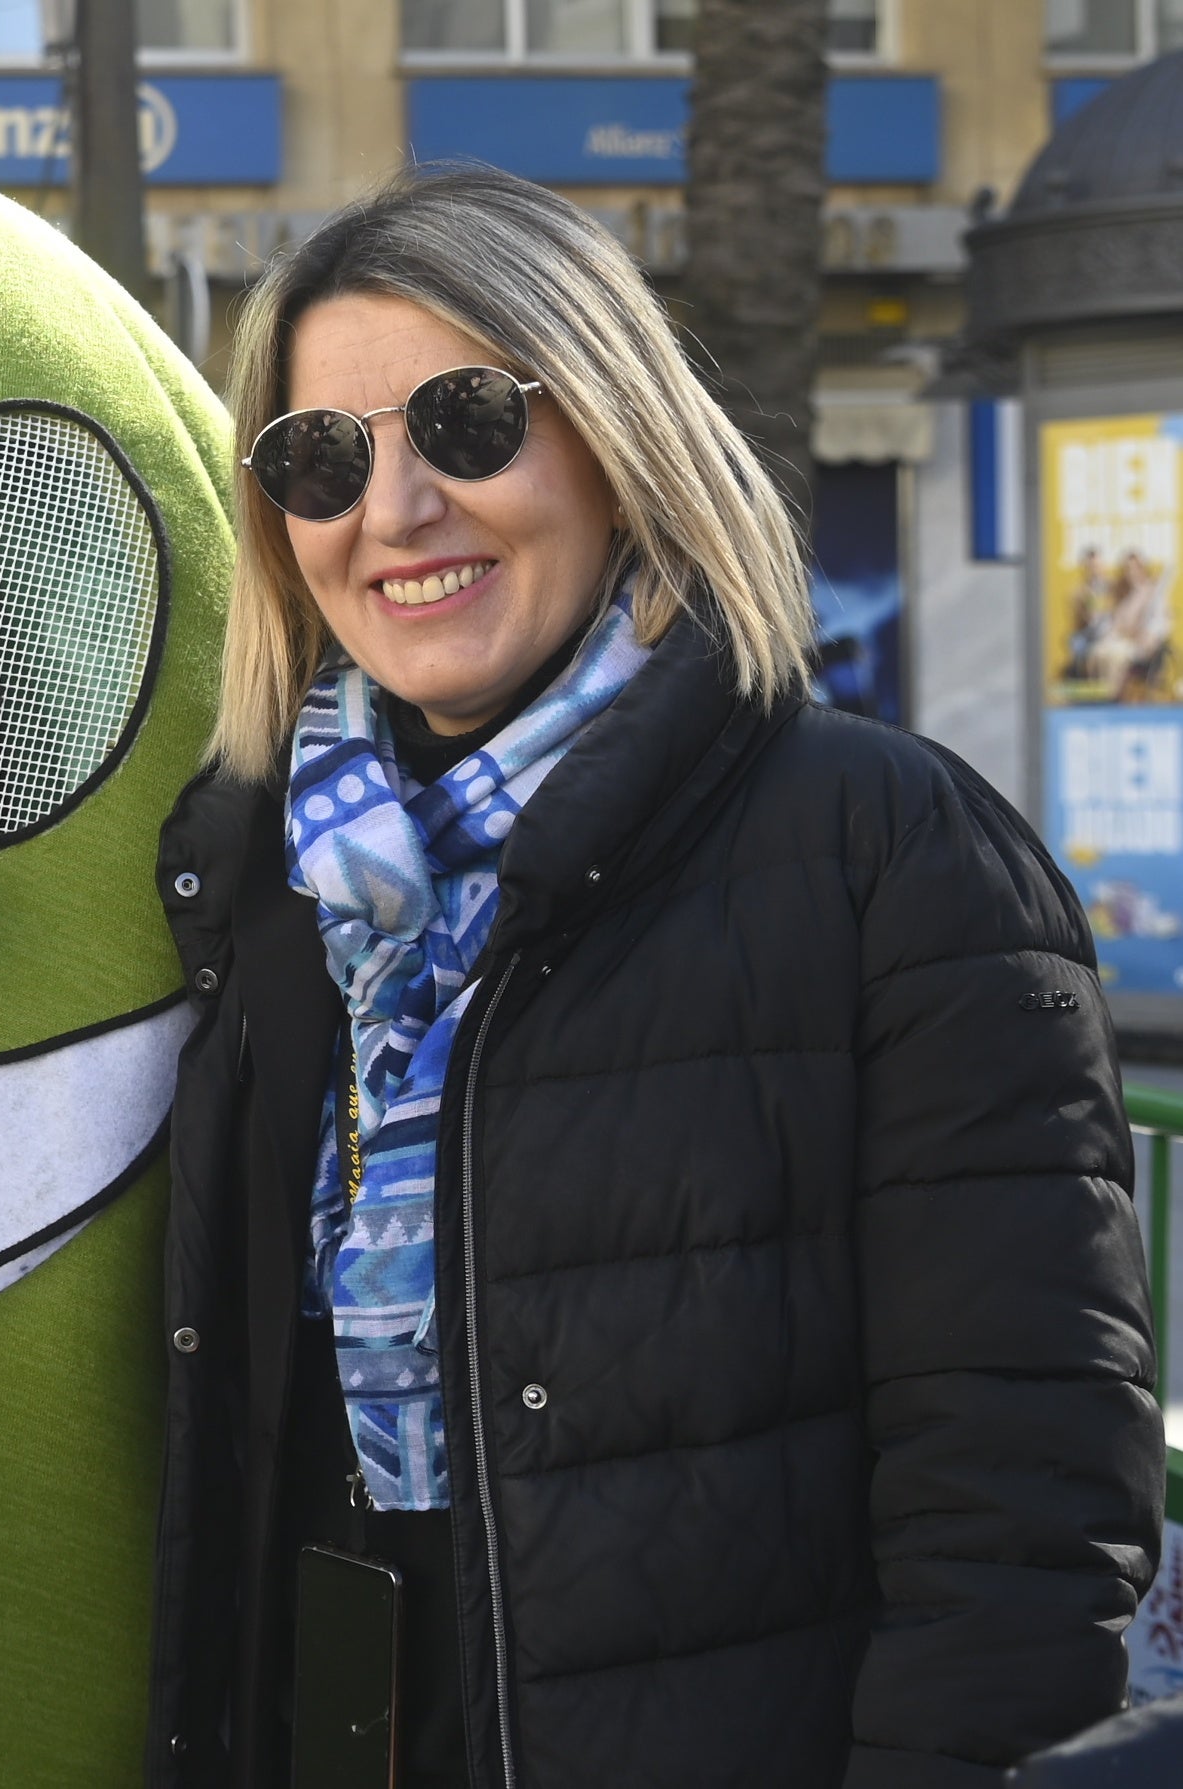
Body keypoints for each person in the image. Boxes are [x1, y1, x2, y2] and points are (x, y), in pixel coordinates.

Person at [146, 167, 1162, 1789]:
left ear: (618, 441)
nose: (393, 511)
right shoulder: (260, 892)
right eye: (320, 458)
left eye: (468, 422)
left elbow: (1017, 1528)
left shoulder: (888, 852)